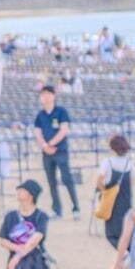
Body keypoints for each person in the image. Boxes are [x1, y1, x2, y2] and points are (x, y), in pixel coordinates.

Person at [34, 85, 79, 220]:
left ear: (54, 96)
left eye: (48, 94)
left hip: (60, 151)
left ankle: (76, 208)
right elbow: (37, 133)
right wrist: (44, 146)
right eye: (43, 94)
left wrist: (51, 144)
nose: (45, 97)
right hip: (46, 153)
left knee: (67, 179)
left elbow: (64, 130)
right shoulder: (40, 115)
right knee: (51, 181)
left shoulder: (61, 112)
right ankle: (57, 209)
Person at [91, 134, 135, 250]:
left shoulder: (108, 162)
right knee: (126, 231)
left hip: (112, 201)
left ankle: (124, 255)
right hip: (125, 200)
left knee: (111, 234)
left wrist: (104, 191)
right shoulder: (129, 163)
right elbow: (132, 182)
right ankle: (127, 253)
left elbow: (99, 180)